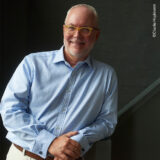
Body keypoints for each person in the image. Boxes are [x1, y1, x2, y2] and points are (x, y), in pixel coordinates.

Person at [0, 3, 118, 160]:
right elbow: (10, 110)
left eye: (85, 29)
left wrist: (78, 141)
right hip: (24, 156)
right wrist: (50, 143)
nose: (77, 35)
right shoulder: (32, 63)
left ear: (96, 35)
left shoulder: (106, 75)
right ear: (64, 30)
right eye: (71, 27)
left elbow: (107, 122)